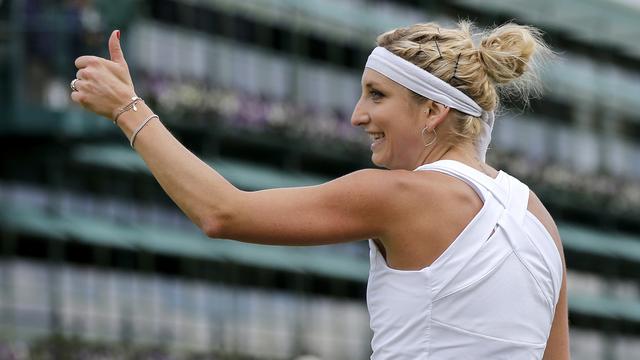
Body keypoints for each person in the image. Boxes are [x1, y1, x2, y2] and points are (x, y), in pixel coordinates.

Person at [69, 21, 569, 359]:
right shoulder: (539, 218)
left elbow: (221, 212)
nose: (358, 116)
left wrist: (126, 108)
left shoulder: (399, 194)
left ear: (433, 111)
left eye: (377, 95)